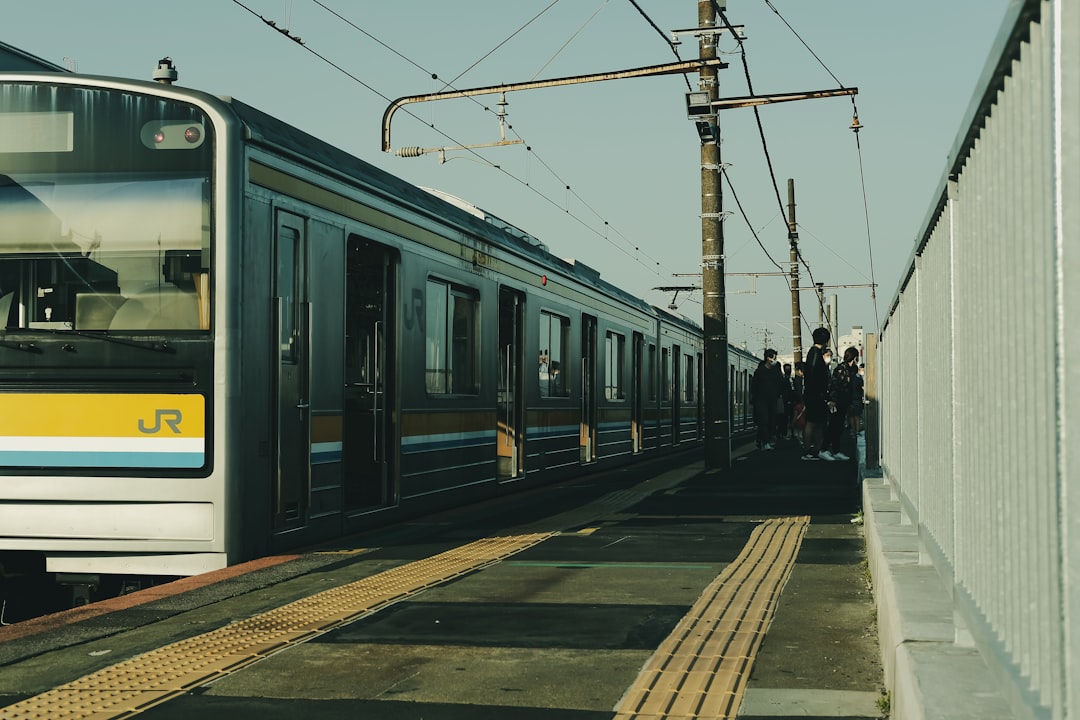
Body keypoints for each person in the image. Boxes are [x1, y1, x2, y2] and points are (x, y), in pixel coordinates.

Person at [801, 328, 834, 461]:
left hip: (814, 393)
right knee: (813, 422)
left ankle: (816, 449)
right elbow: (815, 376)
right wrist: (822, 394)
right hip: (815, 394)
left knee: (818, 422)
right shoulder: (815, 354)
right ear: (826, 340)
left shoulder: (814, 353)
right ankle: (809, 450)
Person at [825, 347, 860, 461]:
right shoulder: (841, 369)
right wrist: (832, 401)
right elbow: (835, 386)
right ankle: (824, 449)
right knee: (834, 425)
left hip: (845, 401)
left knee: (839, 426)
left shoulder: (852, 369)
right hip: (837, 401)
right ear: (854, 357)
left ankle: (836, 450)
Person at [750, 348, 782, 450]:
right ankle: (765, 442)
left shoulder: (776, 371)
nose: (775, 359)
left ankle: (764, 440)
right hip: (761, 400)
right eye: (773, 357)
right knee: (764, 421)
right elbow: (754, 386)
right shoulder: (760, 371)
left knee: (771, 421)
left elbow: (780, 385)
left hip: (772, 400)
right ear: (768, 358)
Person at [849, 362, 866, 437]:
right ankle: (857, 430)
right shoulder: (858, 379)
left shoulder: (851, 378)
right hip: (857, 399)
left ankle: (853, 430)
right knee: (857, 416)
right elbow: (862, 388)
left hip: (851, 399)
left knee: (852, 416)